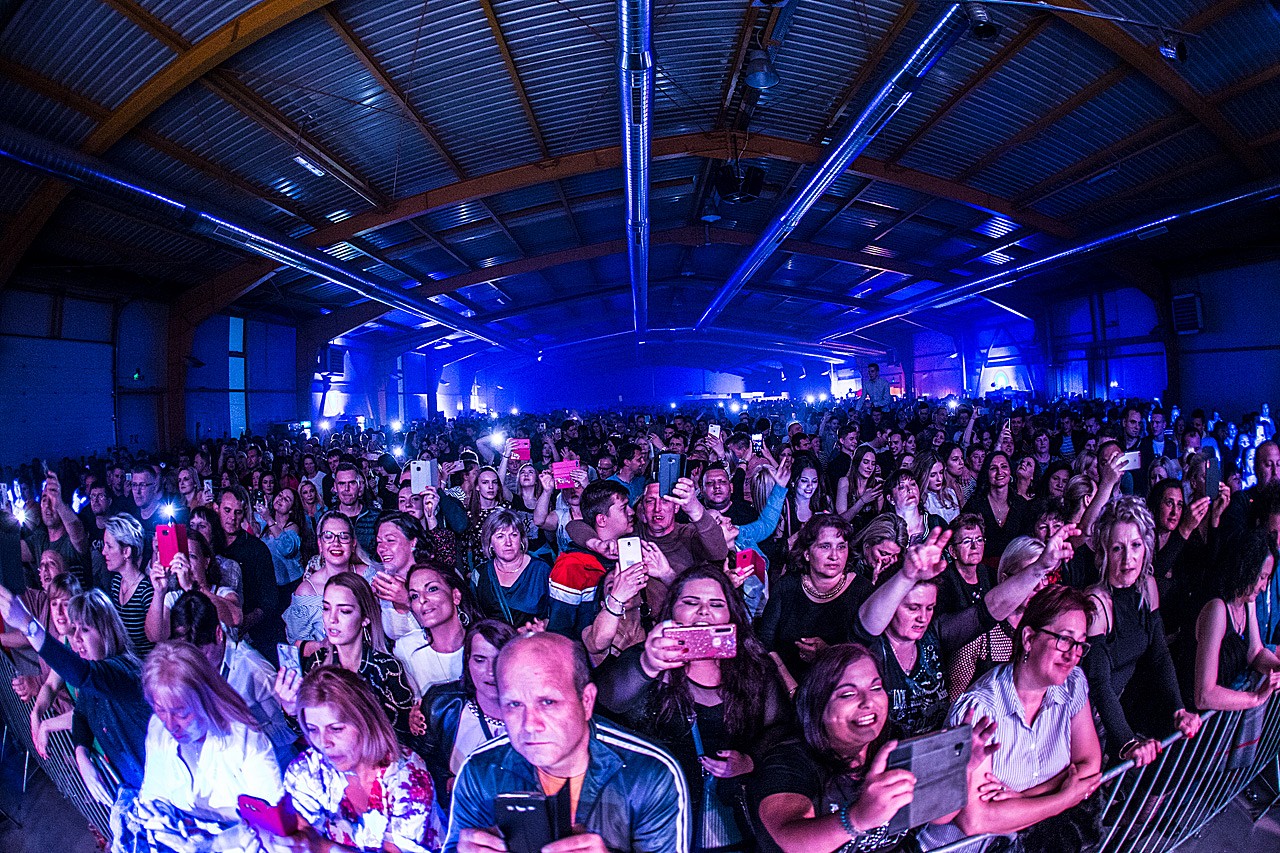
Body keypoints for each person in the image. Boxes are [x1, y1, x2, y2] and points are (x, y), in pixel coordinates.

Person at [595, 566, 795, 850]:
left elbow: (780, 728)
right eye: (690, 602)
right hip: (660, 812)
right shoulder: (646, 657)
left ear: (731, 613)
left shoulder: (754, 666)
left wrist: (750, 760)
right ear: (672, 611)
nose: (704, 611)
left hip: (730, 816)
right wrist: (648, 666)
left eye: (716, 604)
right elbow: (605, 705)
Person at [443, 631, 691, 853]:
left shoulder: (648, 773)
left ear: (586, 701)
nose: (530, 724)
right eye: (514, 704)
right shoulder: (481, 770)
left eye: (547, 702)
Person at [921, 585, 1103, 849]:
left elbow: (1089, 766)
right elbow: (974, 820)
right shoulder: (981, 709)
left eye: (1079, 644)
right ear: (1029, 639)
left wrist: (1023, 798)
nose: (1072, 655)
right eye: (1064, 639)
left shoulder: (1073, 684)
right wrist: (1064, 799)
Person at [854, 525, 1074, 737]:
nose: (922, 617)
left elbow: (988, 610)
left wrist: (1040, 567)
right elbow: (868, 623)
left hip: (937, 751)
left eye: (929, 608)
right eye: (912, 608)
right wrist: (907, 576)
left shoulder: (933, 636)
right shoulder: (870, 647)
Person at [0, 586, 151, 853]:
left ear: (106, 631)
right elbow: (81, 714)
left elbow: (81, 674)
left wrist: (28, 625)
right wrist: (82, 755)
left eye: (85, 630)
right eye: (74, 631)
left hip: (157, 790)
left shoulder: (122, 670)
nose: (77, 639)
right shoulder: (94, 682)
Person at [751, 644, 917, 853]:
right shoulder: (788, 762)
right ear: (818, 704)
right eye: (848, 694)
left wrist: (958, 769)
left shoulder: (895, 741)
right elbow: (791, 840)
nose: (868, 702)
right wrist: (856, 819)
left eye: (876, 688)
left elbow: (939, 816)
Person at [270, 666, 445, 853]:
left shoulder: (408, 774)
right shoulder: (306, 770)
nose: (323, 742)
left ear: (365, 722)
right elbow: (301, 833)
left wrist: (321, 846)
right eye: (313, 729)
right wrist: (297, 840)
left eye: (336, 729)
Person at [1082, 497, 1202, 765]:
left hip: (1119, 707)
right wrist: (1127, 742)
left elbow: (1159, 654)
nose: (1128, 559)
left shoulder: (1147, 586)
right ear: (1104, 552)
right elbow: (1098, 683)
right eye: (1118, 548)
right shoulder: (1096, 602)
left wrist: (1178, 709)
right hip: (1085, 717)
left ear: (1146, 546)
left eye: (1136, 545)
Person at [135, 641, 283, 852]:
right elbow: (152, 796)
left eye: (181, 713)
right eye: (160, 710)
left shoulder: (244, 738)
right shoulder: (158, 729)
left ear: (206, 698)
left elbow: (272, 820)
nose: (170, 724)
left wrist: (215, 842)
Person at [169, 590, 298, 768]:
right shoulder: (186, 665)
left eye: (203, 655)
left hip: (268, 767)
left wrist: (241, 737)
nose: (196, 665)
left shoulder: (255, 670)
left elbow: (288, 732)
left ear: (218, 634)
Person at [291, 572, 415, 741]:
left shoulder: (386, 668)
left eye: (345, 611)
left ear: (365, 618)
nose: (332, 619)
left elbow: (406, 734)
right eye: (326, 608)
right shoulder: (316, 663)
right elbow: (304, 731)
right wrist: (290, 709)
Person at [757, 514, 874, 686]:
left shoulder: (863, 591)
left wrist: (828, 654)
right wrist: (791, 688)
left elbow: (868, 654)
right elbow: (765, 642)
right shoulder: (786, 586)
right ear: (806, 553)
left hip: (840, 685)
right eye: (825, 546)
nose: (834, 556)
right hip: (785, 683)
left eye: (841, 547)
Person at [418, 619, 518, 808]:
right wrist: (446, 783)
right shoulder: (441, 704)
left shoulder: (536, 714)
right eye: (480, 660)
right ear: (467, 660)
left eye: (499, 659)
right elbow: (423, 765)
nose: (490, 672)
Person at [1183, 531, 1280, 712]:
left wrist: (1277, 668)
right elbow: (1204, 695)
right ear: (1246, 570)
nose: (1264, 587)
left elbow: (1255, 653)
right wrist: (1256, 697)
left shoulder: (1246, 602)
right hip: (1189, 718)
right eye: (1262, 577)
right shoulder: (1216, 609)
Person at [285, 511, 376, 653]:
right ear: (320, 544)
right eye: (328, 536)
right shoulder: (306, 591)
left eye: (343, 536)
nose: (336, 543)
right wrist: (323, 645)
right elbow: (295, 646)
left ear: (353, 544)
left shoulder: (370, 577)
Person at [217, 486, 284, 663]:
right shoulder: (209, 546)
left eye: (238, 512)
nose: (232, 518)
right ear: (217, 509)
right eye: (227, 510)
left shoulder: (257, 549)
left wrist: (245, 622)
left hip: (253, 636)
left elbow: (269, 600)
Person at [144, 528, 241, 642]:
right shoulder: (173, 598)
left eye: (191, 556)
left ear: (206, 561)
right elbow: (154, 637)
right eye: (180, 557)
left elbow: (236, 619)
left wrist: (192, 587)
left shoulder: (223, 593)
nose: (186, 563)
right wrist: (159, 592)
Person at [396, 564, 470, 697]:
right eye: (414, 596)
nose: (422, 599)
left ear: (455, 596)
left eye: (432, 589)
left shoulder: (483, 643)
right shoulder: (406, 648)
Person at [475, 508, 552, 627]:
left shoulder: (541, 570)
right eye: (500, 536)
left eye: (514, 535)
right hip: (494, 637)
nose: (508, 543)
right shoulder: (480, 574)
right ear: (490, 542)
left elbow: (555, 616)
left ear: (521, 539)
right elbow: (475, 618)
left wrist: (538, 628)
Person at [372, 511, 435, 641]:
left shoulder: (436, 579)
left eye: (390, 540)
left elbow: (448, 633)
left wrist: (408, 601)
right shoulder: (382, 585)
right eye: (379, 542)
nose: (381, 548)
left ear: (413, 543)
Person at [963, 451, 1029, 569]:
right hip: (982, 569)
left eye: (1004, 467)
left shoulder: (1021, 505)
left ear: (1010, 471)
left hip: (1015, 567)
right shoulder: (974, 505)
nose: (999, 472)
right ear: (986, 473)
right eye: (993, 468)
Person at [102, 513, 156, 656]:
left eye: (109, 546)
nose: (103, 552)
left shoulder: (146, 591)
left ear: (126, 552)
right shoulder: (116, 583)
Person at [262, 485, 306, 592]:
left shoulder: (292, 527)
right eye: (280, 495)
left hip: (289, 585)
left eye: (286, 499)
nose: (281, 499)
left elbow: (287, 549)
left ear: (291, 510)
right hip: (272, 583)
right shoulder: (267, 525)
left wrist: (268, 519)